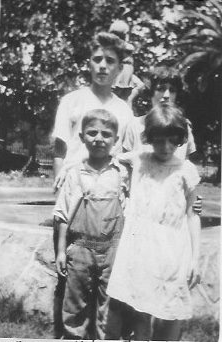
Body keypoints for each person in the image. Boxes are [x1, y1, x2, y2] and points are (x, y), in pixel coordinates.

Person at [51, 31, 133, 338]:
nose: (102, 66)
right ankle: (66, 333)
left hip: (108, 198)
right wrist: (61, 191)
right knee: (69, 274)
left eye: (109, 61)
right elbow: (60, 151)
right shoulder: (71, 101)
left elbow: (125, 158)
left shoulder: (123, 110)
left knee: (106, 280)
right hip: (75, 195)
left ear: (119, 68)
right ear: (89, 63)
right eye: (97, 59)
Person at [107, 103, 201, 341]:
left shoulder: (186, 170)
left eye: (172, 140)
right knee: (138, 310)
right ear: (149, 137)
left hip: (172, 249)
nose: (166, 147)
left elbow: (192, 215)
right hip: (139, 246)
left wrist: (195, 258)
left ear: (181, 139)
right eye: (159, 140)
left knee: (169, 311)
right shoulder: (140, 159)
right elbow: (108, 156)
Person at [53, 109, 129, 339]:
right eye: (92, 132)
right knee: (75, 307)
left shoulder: (123, 173)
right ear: (81, 137)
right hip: (80, 250)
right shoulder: (74, 174)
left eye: (106, 134)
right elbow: (62, 216)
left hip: (114, 249)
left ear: (116, 140)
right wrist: (61, 252)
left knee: (110, 310)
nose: (99, 138)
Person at [123, 65, 196, 161]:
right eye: (161, 89)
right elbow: (125, 162)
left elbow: (185, 163)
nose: (166, 95)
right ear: (151, 92)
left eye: (172, 91)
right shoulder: (135, 125)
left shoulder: (183, 126)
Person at [109, 20, 145, 106]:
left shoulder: (123, 46)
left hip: (127, 75)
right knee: (116, 99)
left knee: (138, 87)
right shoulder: (115, 47)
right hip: (119, 74)